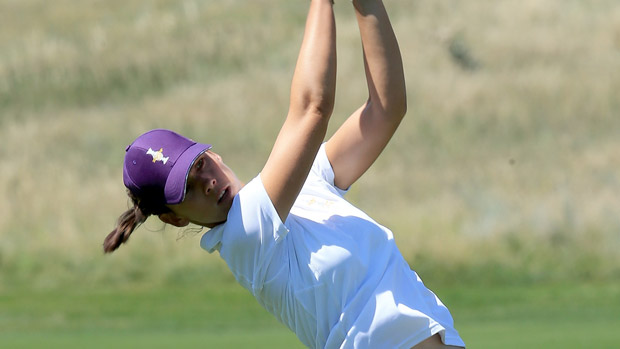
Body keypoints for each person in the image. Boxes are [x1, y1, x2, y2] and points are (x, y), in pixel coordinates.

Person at [104, 0, 465, 348]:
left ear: (212, 153)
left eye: (199, 165)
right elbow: (312, 108)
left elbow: (386, 110)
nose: (208, 182)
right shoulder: (246, 236)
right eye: (189, 189)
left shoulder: (305, 185)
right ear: (175, 219)